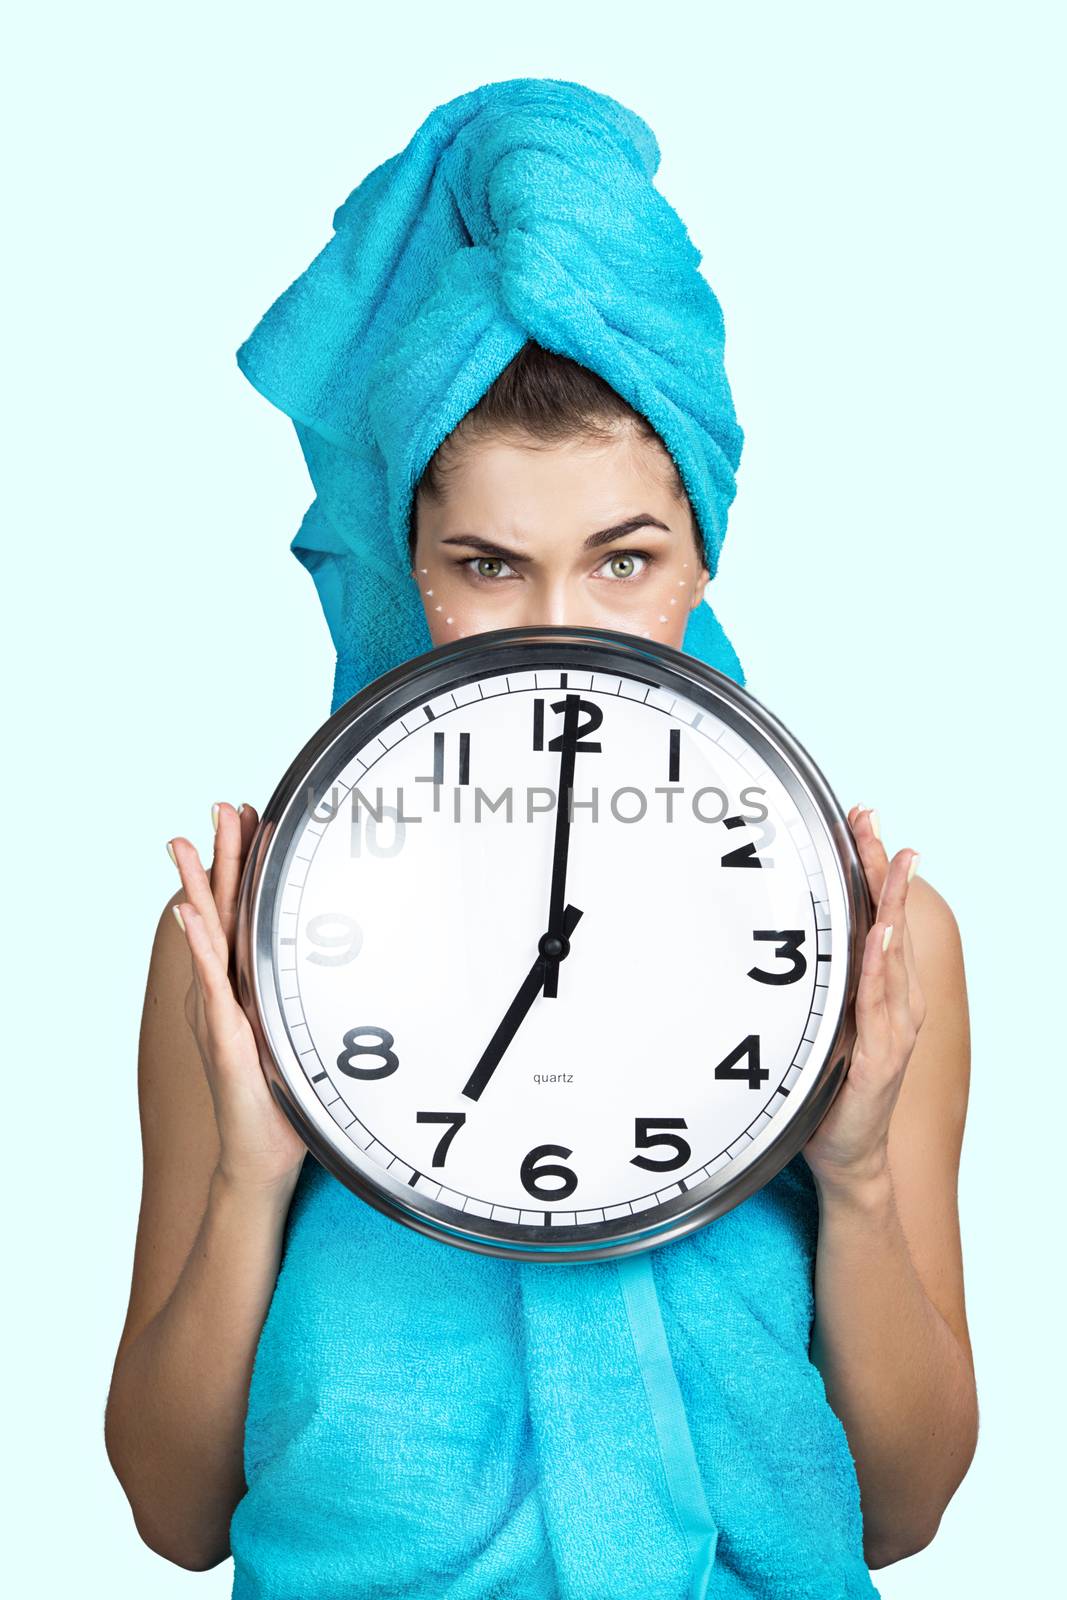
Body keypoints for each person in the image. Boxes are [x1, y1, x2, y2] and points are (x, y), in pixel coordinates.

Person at [105, 82, 978, 1599]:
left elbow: (898, 1513)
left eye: (624, 560)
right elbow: (179, 1516)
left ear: (703, 549)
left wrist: (857, 1175)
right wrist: (256, 1167)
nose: (560, 636)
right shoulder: (260, 942)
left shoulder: (876, 942)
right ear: (412, 569)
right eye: (489, 565)